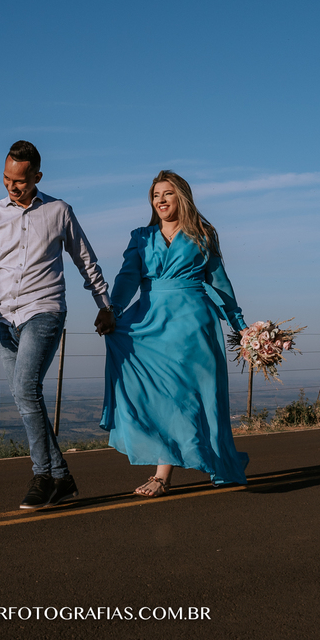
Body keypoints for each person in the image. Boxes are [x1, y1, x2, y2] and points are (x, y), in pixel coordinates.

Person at [0, 140, 116, 509]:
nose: (12, 186)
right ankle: (62, 477)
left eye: (20, 181)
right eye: (7, 178)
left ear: (37, 176)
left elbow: (86, 262)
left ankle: (42, 476)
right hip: (4, 317)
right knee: (25, 396)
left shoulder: (59, 211)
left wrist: (104, 305)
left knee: (26, 390)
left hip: (45, 310)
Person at [100, 170, 249, 496]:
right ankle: (178, 465)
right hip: (151, 325)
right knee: (155, 395)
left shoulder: (202, 235)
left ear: (181, 197)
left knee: (190, 398)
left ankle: (165, 475)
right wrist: (113, 311)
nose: (161, 200)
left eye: (167, 194)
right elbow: (127, 280)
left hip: (194, 326)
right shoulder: (141, 237)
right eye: (156, 195)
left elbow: (220, 284)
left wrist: (242, 328)